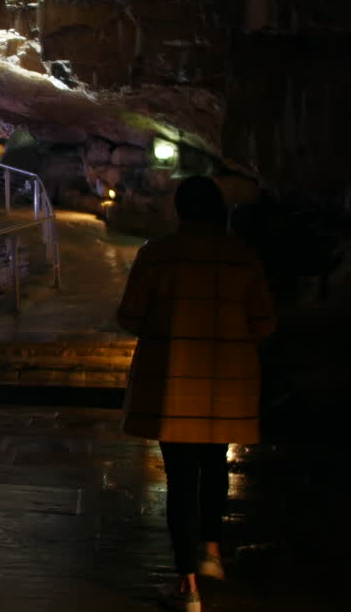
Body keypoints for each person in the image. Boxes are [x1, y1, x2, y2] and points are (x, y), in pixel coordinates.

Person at [116, 176, 277, 612]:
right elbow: (264, 322)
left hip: (174, 381)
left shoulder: (158, 255)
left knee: (181, 479)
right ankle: (211, 552)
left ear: (181, 210)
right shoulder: (243, 257)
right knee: (214, 467)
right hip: (226, 381)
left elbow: (129, 316)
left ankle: (187, 585)